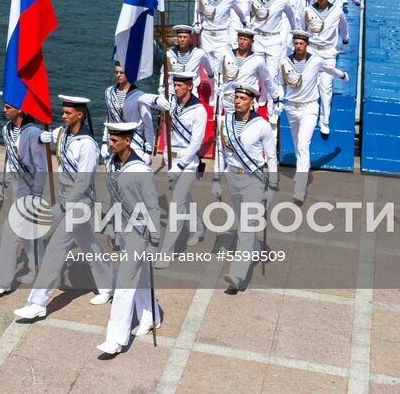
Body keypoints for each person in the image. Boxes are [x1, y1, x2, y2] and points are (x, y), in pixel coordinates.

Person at [14, 96, 113, 320]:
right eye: (63, 112)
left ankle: (37, 303)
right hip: (68, 199)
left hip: (79, 204)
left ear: (80, 115)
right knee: (89, 245)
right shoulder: (64, 133)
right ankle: (109, 285)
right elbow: (44, 140)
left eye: (68, 113)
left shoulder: (87, 145)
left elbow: (83, 182)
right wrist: (40, 137)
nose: (63, 115)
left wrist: (63, 206)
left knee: (56, 249)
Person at [97, 122, 161, 356]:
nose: (110, 144)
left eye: (115, 141)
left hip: (139, 233)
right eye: (110, 139)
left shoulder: (140, 171)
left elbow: (153, 206)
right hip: (122, 229)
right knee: (141, 276)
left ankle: (115, 339)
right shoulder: (112, 163)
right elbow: (114, 200)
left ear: (128, 141)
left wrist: (155, 240)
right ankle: (151, 316)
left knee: (124, 285)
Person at [211, 78, 277, 293]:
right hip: (232, 177)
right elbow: (220, 154)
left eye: (243, 98)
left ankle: (238, 274)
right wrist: (216, 180)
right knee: (243, 221)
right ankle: (255, 249)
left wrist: (273, 185)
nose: (237, 101)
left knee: (247, 228)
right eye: (236, 97)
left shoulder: (262, 126)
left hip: (253, 180)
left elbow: (272, 157)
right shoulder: (223, 122)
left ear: (252, 102)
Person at [275, 30, 348, 203]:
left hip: (309, 108)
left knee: (303, 145)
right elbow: (280, 82)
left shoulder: (315, 60)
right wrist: (279, 100)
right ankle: (303, 168)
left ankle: (299, 189)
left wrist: (343, 76)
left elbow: (330, 69)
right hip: (292, 108)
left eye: (301, 43)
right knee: (296, 144)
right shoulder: (285, 61)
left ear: (307, 44)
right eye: (296, 43)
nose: (298, 46)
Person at [0, 99, 47, 295]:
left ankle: (3, 281)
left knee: (10, 232)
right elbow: (8, 160)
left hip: (28, 187)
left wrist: (36, 195)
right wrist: (2, 186)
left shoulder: (33, 133)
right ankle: (38, 270)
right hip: (15, 183)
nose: (3, 110)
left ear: (20, 109)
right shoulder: (7, 129)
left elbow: (41, 167)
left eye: (8, 107)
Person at [151, 72, 208, 258]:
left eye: (179, 85)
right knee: (184, 199)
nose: (175, 88)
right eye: (174, 85)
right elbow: (156, 101)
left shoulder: (198, 110)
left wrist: (180, 165)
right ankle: (198, 228)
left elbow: (196, 142)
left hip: (187, 163)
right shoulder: (172, 102)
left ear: (189, 86)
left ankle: (166, 253)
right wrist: (158, 101)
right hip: (170, 159)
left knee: (177, 204)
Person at [102, 60, 155, 162]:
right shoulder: (109, 92)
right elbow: (108, 120)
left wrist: (148, 151)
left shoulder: (140, 96)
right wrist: (105, 142)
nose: (118, 75)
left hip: (134, 144)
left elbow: (148, 125)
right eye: (116, 72)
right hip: (114, 143)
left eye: (122, 73)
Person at [303, 0, 349, 74]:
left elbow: (344, 27)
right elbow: (302, 29)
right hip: (311, 50)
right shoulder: (307, 11)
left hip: (328, 53)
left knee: (326, 86)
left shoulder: (337, 12)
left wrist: (345, 42)